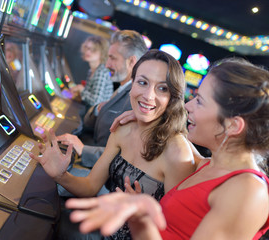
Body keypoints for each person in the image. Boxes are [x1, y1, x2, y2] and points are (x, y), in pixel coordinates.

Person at [65, 57, 269, 240]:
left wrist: (142, 217)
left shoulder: (248, 191)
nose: (188, 106)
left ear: (233, 126)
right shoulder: (210, 164)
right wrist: (148, 118)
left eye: (200, 101)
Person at [30, 49, 197, 239]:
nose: (149, 96)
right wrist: (61, 175)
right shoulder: (123, 128)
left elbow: (172, 231)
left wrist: (141, 218)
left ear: (173, 97)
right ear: (131, 84)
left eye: (162, 88)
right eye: (142, 83)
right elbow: (90, 186)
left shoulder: (177, 150)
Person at [58, 30, 148, 168]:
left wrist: (83, 149)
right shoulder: (122, 89)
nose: (106, 64)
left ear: (131, 61)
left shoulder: (137, 101)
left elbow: (124, 156)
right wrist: (97, 110)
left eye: (112, 58)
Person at [70, 35, 113, 108]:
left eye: (93, 49)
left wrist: (81, 89)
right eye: (87, 48)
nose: (88, 52)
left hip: (98, 116)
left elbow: (96, 101)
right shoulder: (91, 70)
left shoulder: (101, 72)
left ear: (102, 53)